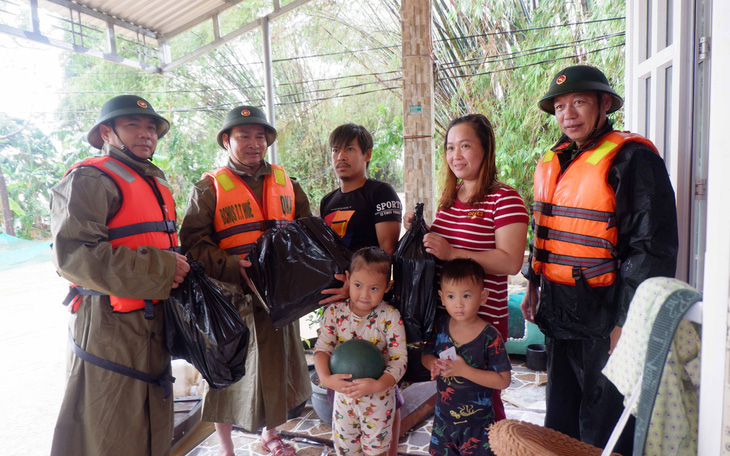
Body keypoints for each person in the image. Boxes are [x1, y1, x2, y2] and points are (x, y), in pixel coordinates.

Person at [520, 64, 679, 453]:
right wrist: (532, 285)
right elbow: (543, 231)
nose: (567, 114)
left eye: (578, 102)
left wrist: (627, 321)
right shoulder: (556, 158)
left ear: (603, 103)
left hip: (604, 312)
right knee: (561, 416)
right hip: (559, 307)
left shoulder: (633, 158)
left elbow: (651, 248)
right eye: (559, 106)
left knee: (605, 422)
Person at [49, 95, 190, 456]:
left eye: (151, 128)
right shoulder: (90, 178)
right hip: (110, 327)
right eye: (133, 126)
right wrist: (161, 267)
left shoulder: (153, 182)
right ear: (107, 132)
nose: (146, 134)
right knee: (110, 425)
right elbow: (74, 255)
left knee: (148, 418)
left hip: (151, 317)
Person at [179, 106, 311, 456]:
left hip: (278, 299)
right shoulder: (208, 189)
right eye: (244, 136)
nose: (254, 144)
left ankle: (271, 434)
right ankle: (226, 447)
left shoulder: (289, 184)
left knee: (275, 371)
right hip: (232, 301)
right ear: (227, 140)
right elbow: (192, 243)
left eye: (260, 136)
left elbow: (308, 233)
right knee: (226, 376)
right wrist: (228, 264)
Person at [404, 113, 529, 421]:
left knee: (483, 402)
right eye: (449, 147)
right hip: (450, 322)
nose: (455, 156)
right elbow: (446, 254)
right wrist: (423, 232)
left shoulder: (504, 198)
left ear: (485, 149)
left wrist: (452, 251)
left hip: (482, 323)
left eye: (465, 146)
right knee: (454, 396)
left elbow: (511, 262)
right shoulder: (451, 199)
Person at [313, 247, 408, 456]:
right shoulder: (335, 313)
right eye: (357, 285)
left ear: (387, 286)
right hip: (344, 400)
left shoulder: (390, 317)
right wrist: (326, 379)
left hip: (379, 400)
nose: (365, 295)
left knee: (378, 451)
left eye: (374, 288)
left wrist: (378, 384)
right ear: (348, 278)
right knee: (346, 450)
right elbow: (322, 349)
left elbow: (399, 360)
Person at [422, 258, 511, 456]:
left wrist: (465, 370)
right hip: (443, 422)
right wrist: (433, 364)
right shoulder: (440, 326)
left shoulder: (490, 336)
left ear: (483, 296)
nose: (459, 304)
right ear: (442, 298)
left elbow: (503, 380)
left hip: (478, 427)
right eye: (451, 296)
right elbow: (427, 355)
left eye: (467, 295)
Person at [320, 123, 402, 256]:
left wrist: (355, 276)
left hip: (368, 277)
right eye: (335, 150)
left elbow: (387, 253)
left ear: (367, 155)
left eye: (350, 149)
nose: (341, 157)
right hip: (331, 276)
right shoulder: (327, 200)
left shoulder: (381, 193)